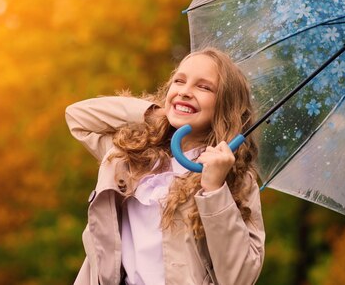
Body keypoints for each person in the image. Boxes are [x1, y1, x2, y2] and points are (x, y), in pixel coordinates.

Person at [65, 47, 265, 285]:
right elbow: (77, 116)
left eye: (204, 87)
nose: (185, 92)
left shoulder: (237, 179)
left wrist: (214, 190)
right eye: (179, 81)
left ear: (226, 104)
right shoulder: (130, 153)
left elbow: (240, 278)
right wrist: (154, 113)